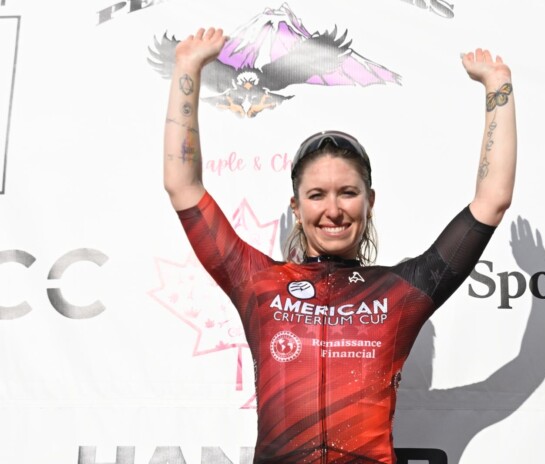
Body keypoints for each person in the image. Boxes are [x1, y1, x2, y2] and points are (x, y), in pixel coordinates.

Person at [163, 27, 516, 464]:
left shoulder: (401, 292)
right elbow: (183, 187)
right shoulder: (257, 282)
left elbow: (491, 201)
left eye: (348, 193)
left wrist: (498, 87)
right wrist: (187, 68)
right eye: (317, 195)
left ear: (370, 201)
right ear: (296, 207)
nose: (333, 209)